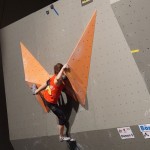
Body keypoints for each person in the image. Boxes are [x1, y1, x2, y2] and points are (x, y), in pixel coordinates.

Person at [33, 63, 71, 142]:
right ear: (60, 71)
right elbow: (57, 78)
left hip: (48, 96)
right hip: (50, 103)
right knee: (62, 117)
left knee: (48, 83)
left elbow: (46, 83)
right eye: (63, 71)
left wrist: (37, 90)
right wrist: (63, 68)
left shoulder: (54, 78)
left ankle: (35, 91)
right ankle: (61, 136)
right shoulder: (56, 80)